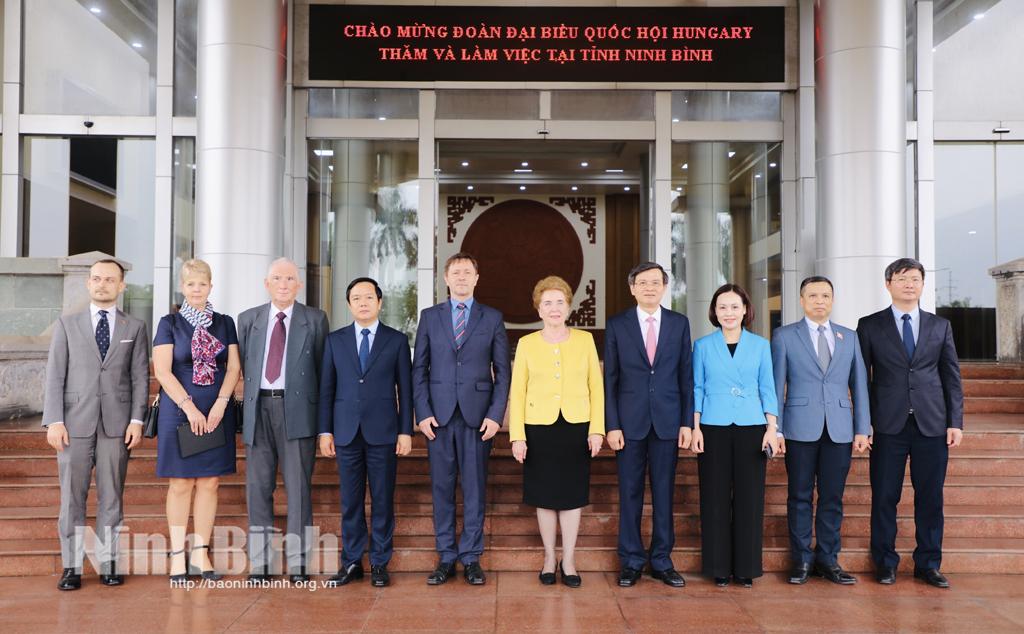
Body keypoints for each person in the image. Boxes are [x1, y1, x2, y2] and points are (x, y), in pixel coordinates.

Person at [42, 259, 150, 591]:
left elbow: (140, 377)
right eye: (97, 279)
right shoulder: (66, 325)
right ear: (89, 284)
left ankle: (108, 563)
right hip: (73, 425)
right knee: (72, 499)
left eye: (110, 280)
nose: (102, 284)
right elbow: (55, 376)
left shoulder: (134, 328)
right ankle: (71, 567)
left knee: (112, 497)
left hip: (116, 427)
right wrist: (54, 421)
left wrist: (136, 419)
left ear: (121, 287)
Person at [857, 258, 964, 589]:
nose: (909, 284)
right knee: (885, 496)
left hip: (931, 424)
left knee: (930, 497)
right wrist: (864, 422)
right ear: (887, 284)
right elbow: (861, 379)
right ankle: (885, 562)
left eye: (915, 279)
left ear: (922, 284)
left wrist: (955, 421)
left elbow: (951, 376)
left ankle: (928, 563)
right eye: (902, 278)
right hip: (887, 425)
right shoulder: (870, 325)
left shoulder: (939, 326)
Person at [412, 252, 511, 586]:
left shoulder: (493, 317)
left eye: (467, 272)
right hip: (437, 419)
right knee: (441, 489)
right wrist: (422, 413)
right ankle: (446, 557)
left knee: (474, 489)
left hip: (478, 417)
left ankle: (471, 557)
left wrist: (497, 416)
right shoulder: (429, 316)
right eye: (456, 272)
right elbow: (419, 370)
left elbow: (503, 372)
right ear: (445, 278)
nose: (462, 278)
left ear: (477, 278)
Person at [771, 276, 870, 585]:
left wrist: (862, 427)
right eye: (812, 295)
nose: (819, 300)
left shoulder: (849, 337)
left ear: (832, 299)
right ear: (802, 300)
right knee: (799, 496)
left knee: (832, 497)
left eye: (825, 295)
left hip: (839, 429)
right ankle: (801, 559)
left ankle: (828, 559)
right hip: (799, 429)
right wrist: (776, 429)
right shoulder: (784, 336)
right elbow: (776, 386)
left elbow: (860, 386)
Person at [237, 257, 329, 583]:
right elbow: (246, 367)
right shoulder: (248, 320)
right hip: (259, 409)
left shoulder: (315, 320)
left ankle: (299, 563)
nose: (284, 284)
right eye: (277, 278)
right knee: (258, 488)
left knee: (298, 489)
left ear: (299, 284)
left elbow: (321, 371)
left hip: (298, 411)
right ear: (267, 283)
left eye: (290, 278)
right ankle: (261, 564)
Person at [509, 276, 604, 588]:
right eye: (547, 302)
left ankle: (570, 559)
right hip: (539, 429)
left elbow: (596, 388)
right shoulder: (526, 344)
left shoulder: (585, 341)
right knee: (545, 497)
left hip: (577, 428)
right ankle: (549, 557)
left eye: (559, 302)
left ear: (569, 306)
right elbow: (518, 393)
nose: (554, 308)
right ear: (539, 308)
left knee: (572, 496)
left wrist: (597, 430)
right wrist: (517, 436)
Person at [319, 277, 413, 588]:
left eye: (368, 297)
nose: (363, 302)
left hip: (384, 432)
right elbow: (327, 390)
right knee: (351, 501)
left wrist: (405, 431)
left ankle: (380, 563)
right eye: (356, 298)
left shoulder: (397, 341)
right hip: (345, 432)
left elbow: (406, 389)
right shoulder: (335, 341)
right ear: (349, 304)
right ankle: (351, 562)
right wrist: (325, 431)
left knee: (383, 499)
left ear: (379, 302)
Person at [604, 262, 693, 588]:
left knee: (664, 494)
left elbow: (687, 376)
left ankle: (661, 560)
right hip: (629, 424)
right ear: (632, 288)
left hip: (668, 423)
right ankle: (631, 560)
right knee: (629, 493)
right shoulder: (617, 325)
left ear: (665, 287)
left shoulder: (679, 324)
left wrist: (687, 422)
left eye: (655, 282)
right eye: (643, 283)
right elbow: (610, 378)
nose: (649, 288)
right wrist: (612, 425)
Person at [153, 259, 240, 582]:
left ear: (210, 287)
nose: (196, 289)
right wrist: (189, 407)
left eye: (202, 283)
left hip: (217, 410)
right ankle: (177, 555)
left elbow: (232, 368)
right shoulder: (169, 323)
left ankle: (201, 554)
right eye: (190, 284)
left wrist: (220, 403)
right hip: (179, 409)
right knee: (180, 483)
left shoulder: (225, 322)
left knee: (210, 482)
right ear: (183, 287)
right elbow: (162, 370)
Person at [691, 283, 779, 588]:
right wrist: (695, 427)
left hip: (751, 426)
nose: (728, 313)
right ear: (714, 312)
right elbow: (697, 388)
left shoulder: (760, 345)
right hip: (712, 426)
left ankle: (746, 568)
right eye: (722, 307)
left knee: (749, 499)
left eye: (734, 307)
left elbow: (768, 387)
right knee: (713, 498)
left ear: (745, 310)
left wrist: (772, 428)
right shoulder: (702, 346)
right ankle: (718, 567)